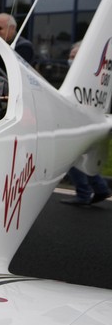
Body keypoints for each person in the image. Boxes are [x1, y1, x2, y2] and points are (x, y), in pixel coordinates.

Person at [60, 41, 110, 205]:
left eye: (75, 57)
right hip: (87, 122)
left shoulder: (87, 80)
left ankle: (84, 193)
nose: (71, 59)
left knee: (72, 157)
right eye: (70, 56)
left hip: (80, 122)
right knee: (82, 157)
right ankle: (100, 188)